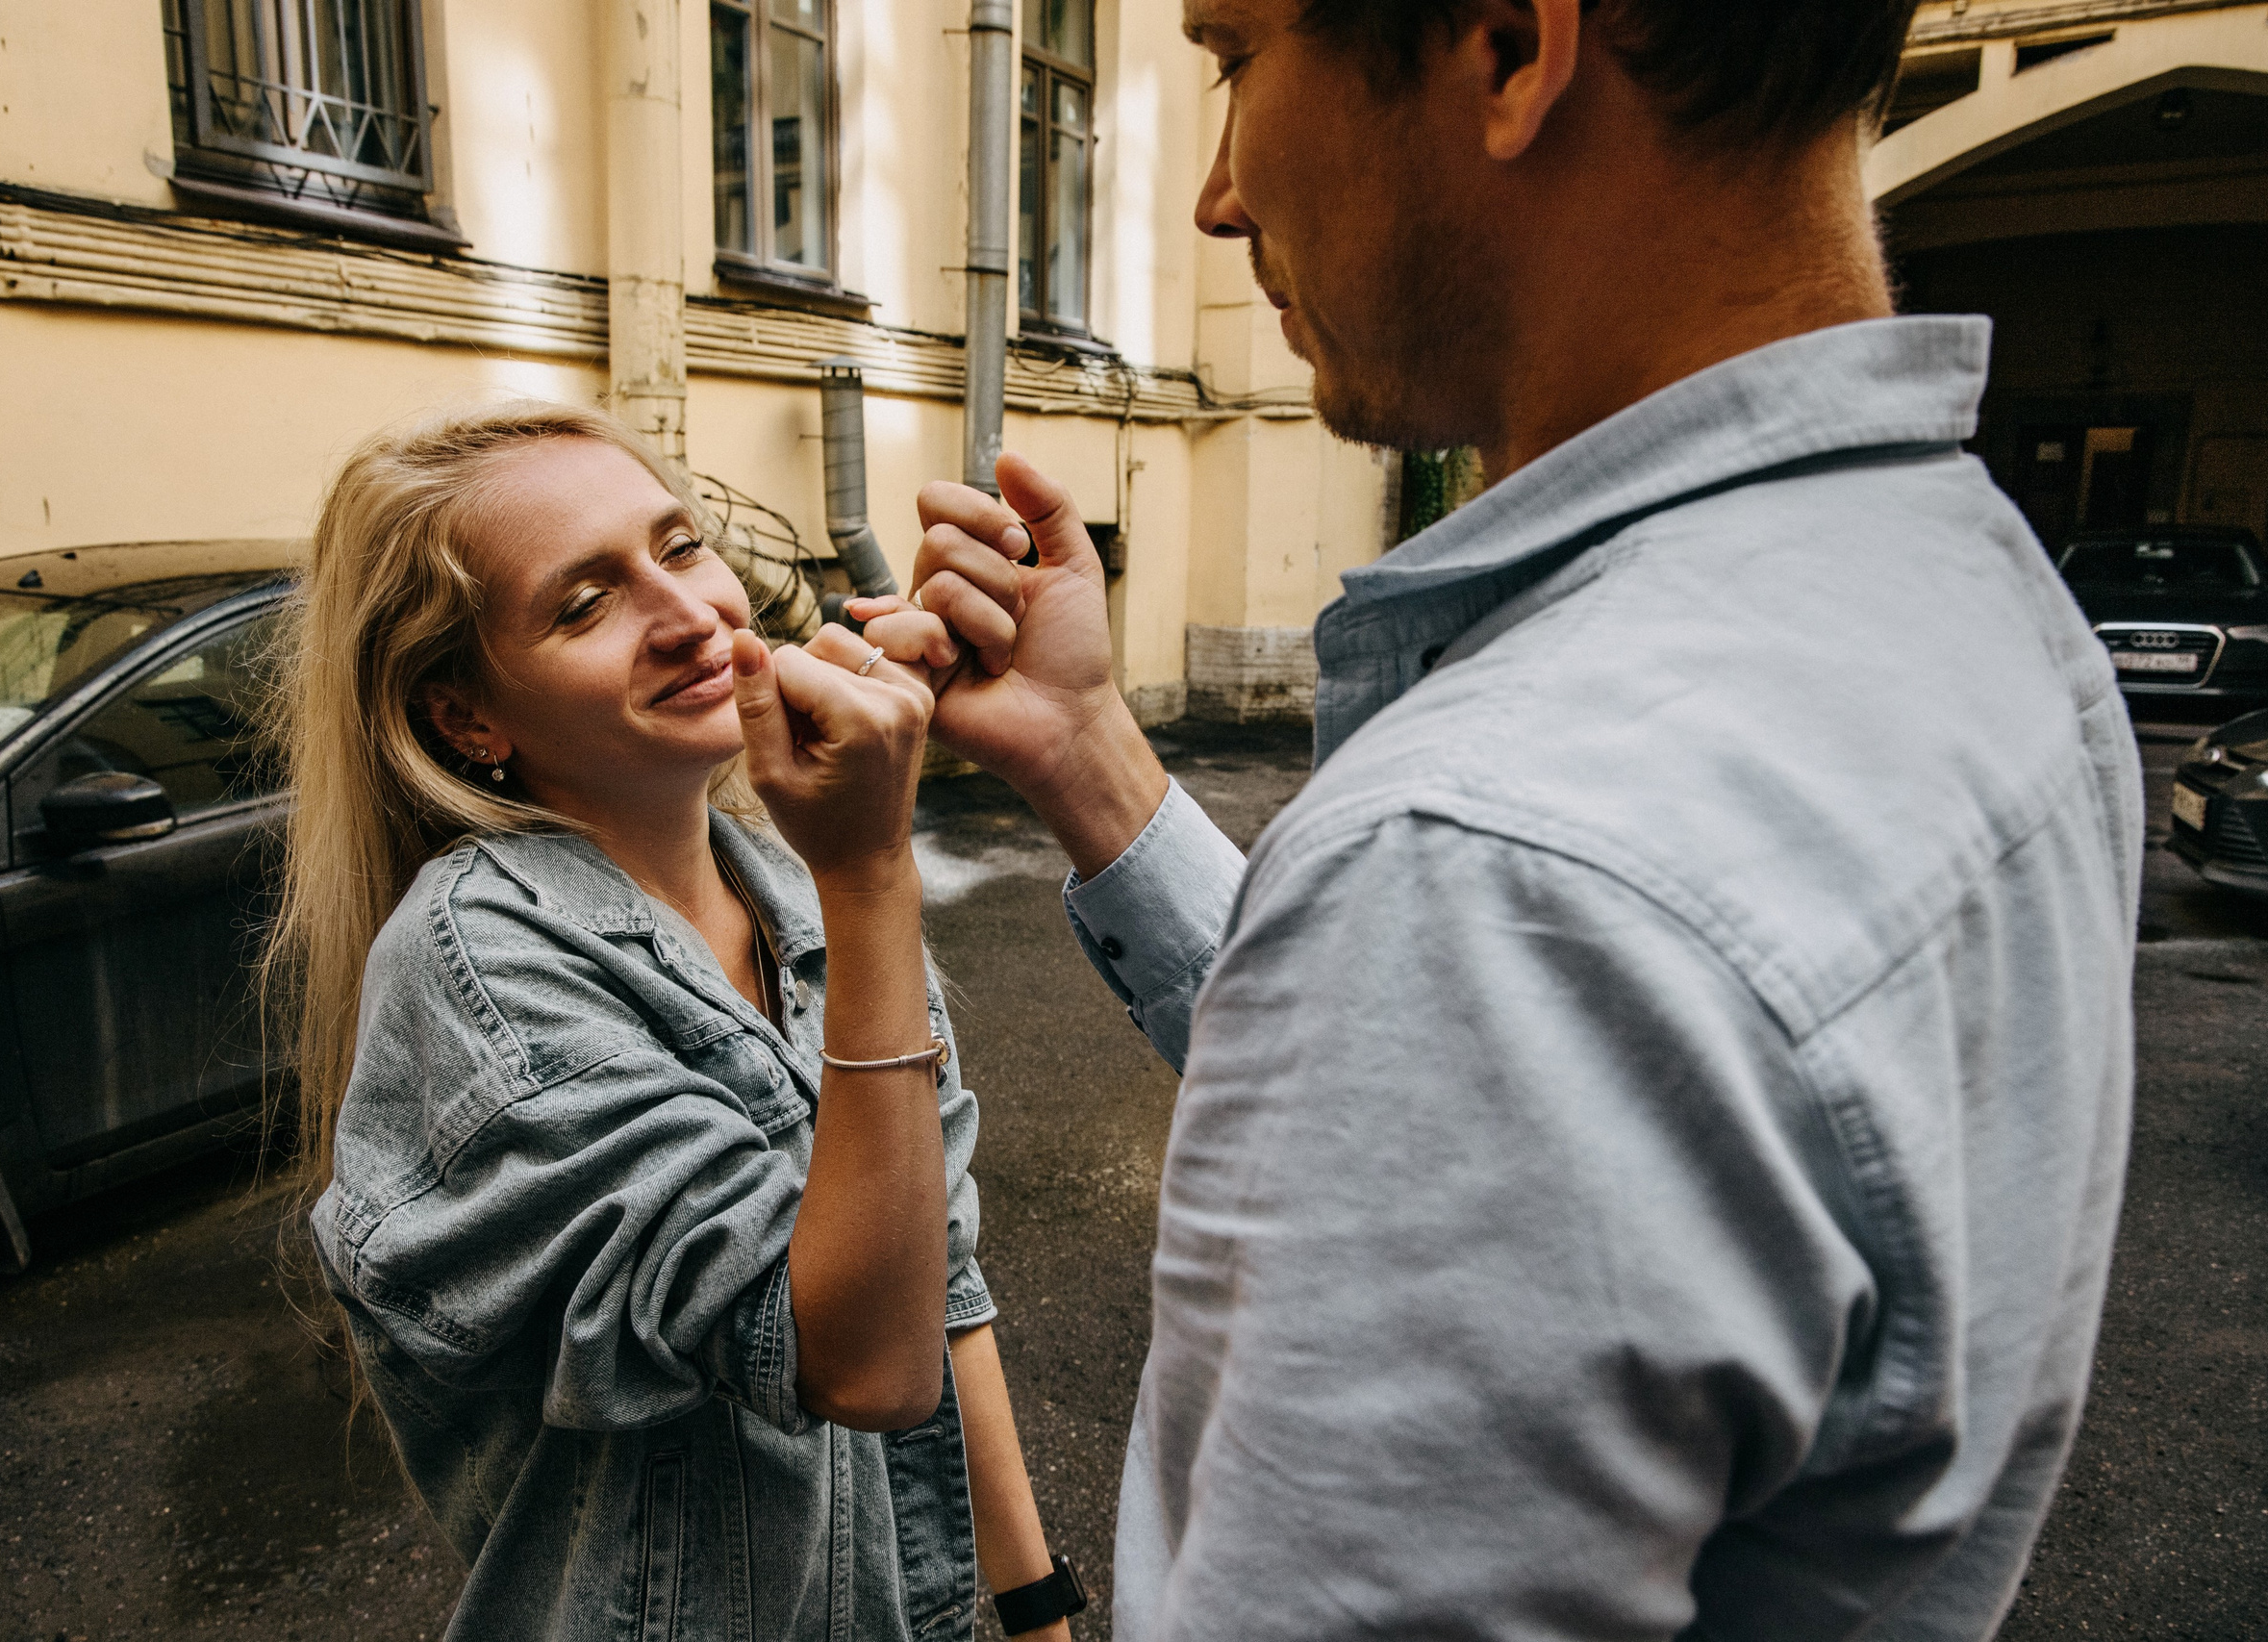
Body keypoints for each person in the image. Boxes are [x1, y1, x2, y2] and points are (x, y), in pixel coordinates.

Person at [860, 1, 2141, 1637]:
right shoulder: (1980, 600)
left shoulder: (1495, 865)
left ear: (1508, 47)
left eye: (1235, 58)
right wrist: (1090, 752)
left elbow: (1488, 952)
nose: (1218, 195)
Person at [265, 403, 1080, 1642]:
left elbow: (941, 1290)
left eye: (683, 545)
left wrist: (1035, 1613)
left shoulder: (797, 890)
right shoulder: (481, 967)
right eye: (584, 602)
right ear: (467, 718)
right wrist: (876, 876)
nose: (693, 613)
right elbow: (861, 1363)